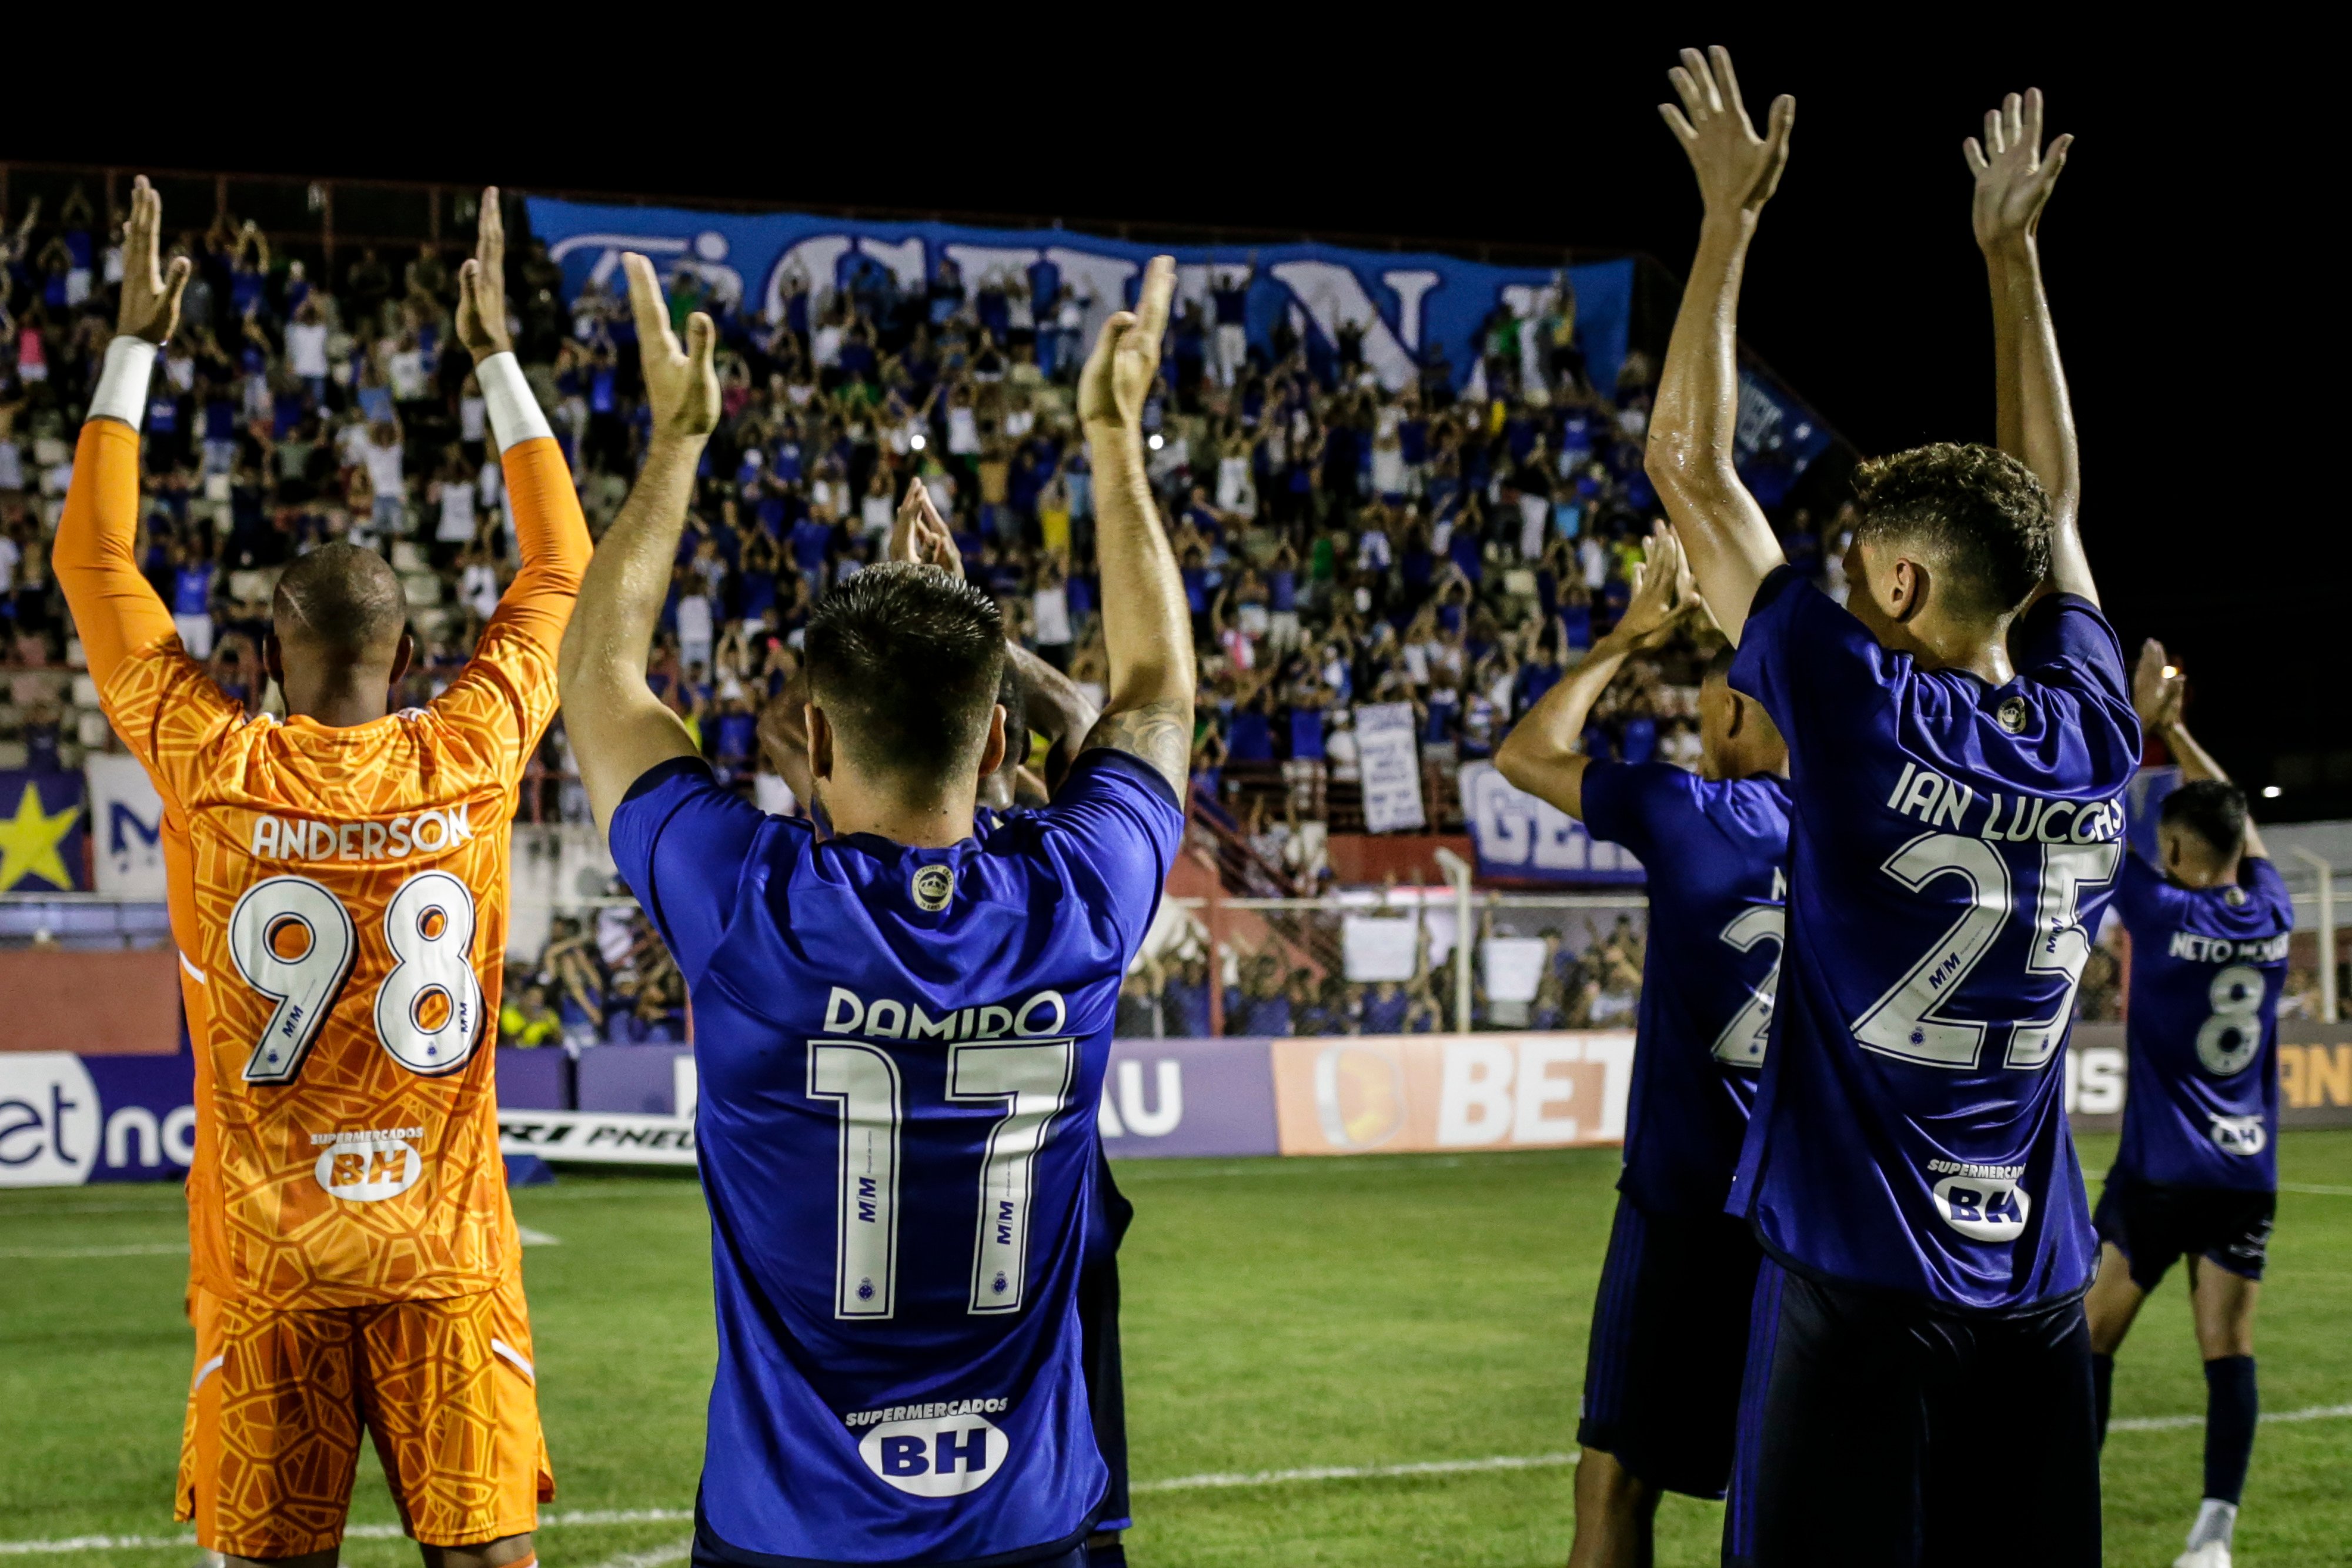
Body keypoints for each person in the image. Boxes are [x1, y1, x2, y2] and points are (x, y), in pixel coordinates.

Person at [556, 252, 1191, 1567]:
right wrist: (1111, 440)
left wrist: (679, 442)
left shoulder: (749, 907)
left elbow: (598, 674)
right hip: (1030, 1529)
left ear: (813, 738)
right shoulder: (1079, 896)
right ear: (1000, 730)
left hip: (791, 1533)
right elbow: (1154, 694)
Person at [1646, 55, 2133, 1566]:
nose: (1844, 590)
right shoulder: (2099, 730)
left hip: (1860, 1283)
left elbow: (1687, 468)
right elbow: (2047, 514)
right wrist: (2012, 261)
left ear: (1905, 586)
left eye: (1861, 571)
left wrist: (1724, 222)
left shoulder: (1857, 711)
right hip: (2036, 1293)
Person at [52, 181, 582, 1568]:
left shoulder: (209, 760)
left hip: (271, 1258)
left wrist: (134, 342)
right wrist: (494, 355)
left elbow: (91, 556)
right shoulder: (471, 751)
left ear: (267, 650)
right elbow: (560, 566)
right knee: (484, 1558)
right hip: (445, 1248)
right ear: (407, 654)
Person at [1494, 521, 1790, 1568]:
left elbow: (1525, 754)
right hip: (1811, 1219)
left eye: (1710, 694)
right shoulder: (1870, 830)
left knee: (1615, 1482)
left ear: (1735, 709)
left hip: (1681, 1202)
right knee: (1791, 1492)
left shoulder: (1693, 811)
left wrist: (1621, 642)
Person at [2085, 642, 2291, 1568]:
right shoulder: (2273, 912)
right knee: (2229, 1351)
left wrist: (2136, 727)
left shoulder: (2164, 914)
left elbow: (2088, 815)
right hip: (2246, 1172)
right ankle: (2213, 1537)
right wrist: (2180, 734)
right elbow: (2240, 825)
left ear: (2172, 852)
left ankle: (2063, 1509)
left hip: (2162, 1173)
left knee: (2087, 1339)